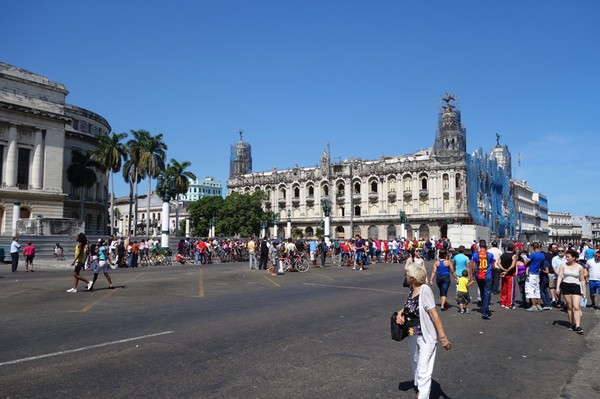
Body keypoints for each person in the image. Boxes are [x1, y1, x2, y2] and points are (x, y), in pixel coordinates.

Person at [396, 263, 452, 399]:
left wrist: (443, 337)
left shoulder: (424, 290)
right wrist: (400, 312)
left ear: (413, 278)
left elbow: (434, 314)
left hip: (425, 337)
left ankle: (422, 395)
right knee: (416, 364)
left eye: (407, 275)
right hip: (412, 335)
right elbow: (410, 306)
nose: (406, 277)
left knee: (423, 371)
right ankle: (419, 389)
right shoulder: (412, 289)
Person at [556, 249, 587, 335]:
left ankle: (578, 326)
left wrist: (584, 291)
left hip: (576, 286)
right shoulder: (563, 265)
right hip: (566, 285)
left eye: (568, 257)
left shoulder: (579, 267)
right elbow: (560, 276)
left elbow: (582, 280)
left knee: (576, 307)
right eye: (566, 257)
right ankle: (571, 323)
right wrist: (558, 287)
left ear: (573, 258)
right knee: (569, 307)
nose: (566, 258)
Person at [471, 239, 496, 320]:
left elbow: (474, 267)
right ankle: (485, 310)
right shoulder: (490, 255)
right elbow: (493, 266)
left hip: (479, 276)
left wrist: (473, 275)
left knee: (482, 292)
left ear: (479, 246)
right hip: (487, 276)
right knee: (487, 293)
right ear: (485, 246)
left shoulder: (475, 255)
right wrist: (493, 273)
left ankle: (484, 307)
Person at [524, 242, 547, 312]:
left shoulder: (533, 255)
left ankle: (533, 305)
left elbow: (526, 263)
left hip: (531, 273)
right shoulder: (542, 255)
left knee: (530, 289)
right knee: (537, 289)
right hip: (537, 273)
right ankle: (539, 304)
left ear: (533, 248)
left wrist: (524, 258)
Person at [499, 243, 517, 309]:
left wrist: (503, 269)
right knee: (510, 290)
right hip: (510, 274)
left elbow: (498, 263)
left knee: (504, 288)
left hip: (503, 274)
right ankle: (509, 304)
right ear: (513, 249)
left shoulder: (503, 255)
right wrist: (507, 270)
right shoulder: (513, 256)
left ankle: (503, 302)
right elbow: (513, 265)